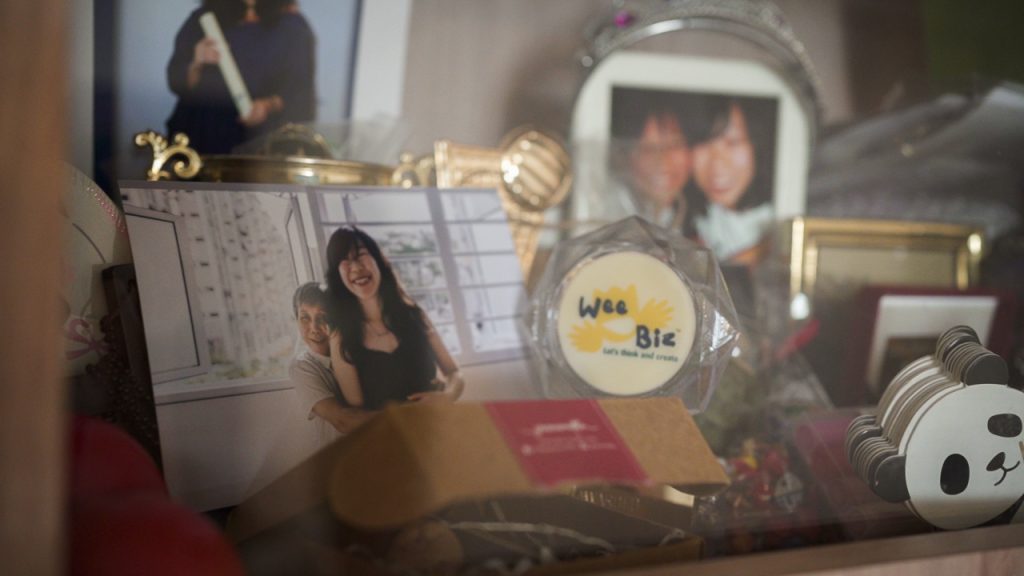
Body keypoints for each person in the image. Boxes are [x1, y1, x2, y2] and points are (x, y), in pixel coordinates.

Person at [324, 227, 464, 410]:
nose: (356, 267)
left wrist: (446, 396)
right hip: (388, 428)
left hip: (439, 422)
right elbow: (357, 413)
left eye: (361, 255)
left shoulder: (414, 314)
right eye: (345, 261)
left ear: (379, 261)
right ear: (337, 276)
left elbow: (455, 373)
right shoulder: (340, 337)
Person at [165, 0, 316, 154]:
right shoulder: (203, 19)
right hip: (200, 133)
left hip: (257, 141)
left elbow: (299, 90)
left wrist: (267, 105)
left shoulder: (291, 25)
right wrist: (197, 63)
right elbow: (177, 82)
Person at [684, 98, 777, 264]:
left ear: (757, 145)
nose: (717, 164)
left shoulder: (782, 211)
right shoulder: (690, 217)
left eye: (733, 142)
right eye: (703, 143)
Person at [289, 282, 376, 447]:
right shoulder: (302, 366)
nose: (314, 328)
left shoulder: (359, 353)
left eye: (323, 317)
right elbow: (342, 421)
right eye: (305, 318)